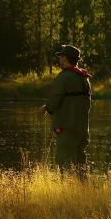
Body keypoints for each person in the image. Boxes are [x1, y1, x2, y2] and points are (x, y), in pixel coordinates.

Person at [38, 44, 92, 174]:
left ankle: (68, 190)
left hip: (67, 127)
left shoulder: (64, 77)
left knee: (64, 160)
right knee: (80, 161)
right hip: (82, 128)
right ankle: (83, 189)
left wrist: (46, 108)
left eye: (61, 57)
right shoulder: (84, 77)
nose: (59, 60)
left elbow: (55, 100)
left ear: (65, 58)